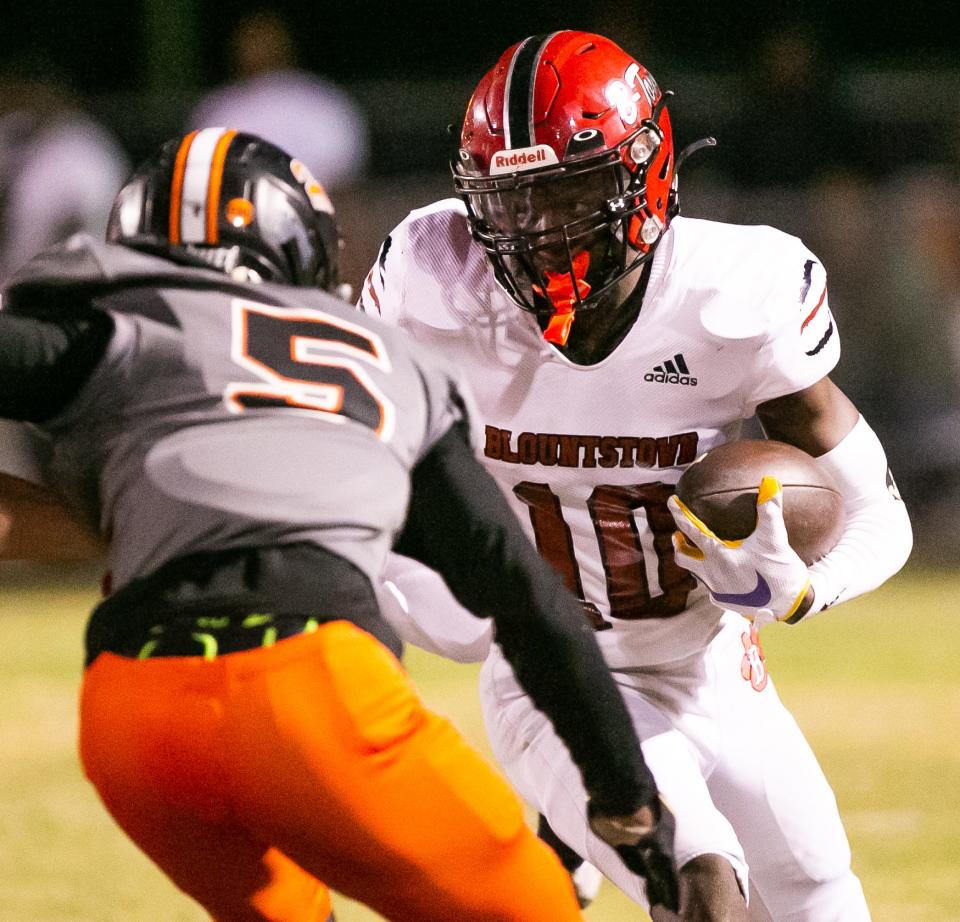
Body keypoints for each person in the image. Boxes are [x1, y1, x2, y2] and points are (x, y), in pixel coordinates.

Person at [0, 128, 680, 921]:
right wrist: (626, 798)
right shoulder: (386, 363)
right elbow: (530, 600)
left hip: (131, 713)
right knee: (537, 910)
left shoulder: (119, 327)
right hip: (308, 689)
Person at [358, 30, 913, 921]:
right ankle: (566, 824)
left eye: (568, 189)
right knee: (702, 887)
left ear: (645, 171)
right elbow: (354, 459)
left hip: (710, 659)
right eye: (512, 198)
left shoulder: (731, 293)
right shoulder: (435, 282)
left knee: (819, 894)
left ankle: (559, 846)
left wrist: (804, 590)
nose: (540, 228)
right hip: (553, 670)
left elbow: (880, 517)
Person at [187, 9, 368, 192]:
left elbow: (341, 170)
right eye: (250, 41)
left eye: (265, 40)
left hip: (312, 207)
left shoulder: (319, 100)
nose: (257, 49)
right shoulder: (219, 107)